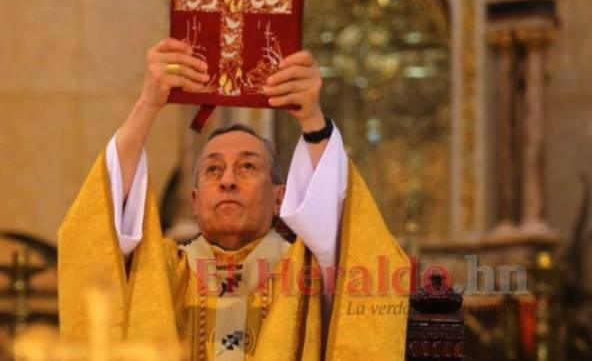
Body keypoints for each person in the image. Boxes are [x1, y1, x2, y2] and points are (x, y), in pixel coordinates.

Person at [58, 38, 411, 360]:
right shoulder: (162, 274)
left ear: (279, 199)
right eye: (213, 170)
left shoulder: (308, 276)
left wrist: (312, 121)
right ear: (194, 201)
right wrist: (148, 104)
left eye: (247, 167)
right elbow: (94, 240)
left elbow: (354, 241)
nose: (227, 180)